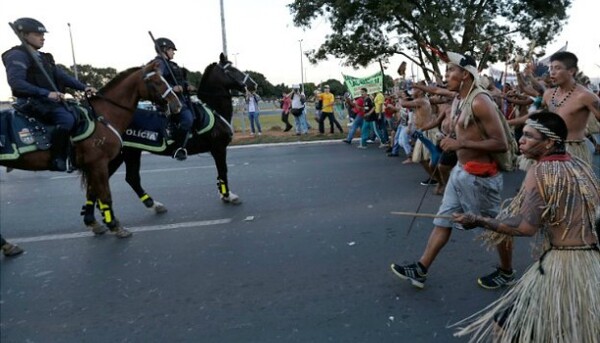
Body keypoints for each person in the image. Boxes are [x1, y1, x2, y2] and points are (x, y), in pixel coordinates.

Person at [452, 112, 600, 342]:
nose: (521, 139)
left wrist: (479, 220)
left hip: (565, 266)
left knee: (505, 326)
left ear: (549, 142)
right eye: (522, 134)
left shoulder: (540, 171)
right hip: (591, 262)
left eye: (529, 136)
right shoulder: (580, 165)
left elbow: (524, 227)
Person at [390, 52, 511, 290]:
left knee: (496, 226)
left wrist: (460, 144)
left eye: (450, 71)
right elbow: (464, 132)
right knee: (442, 220)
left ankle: (507, 271)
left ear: (465, 74)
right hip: (460, 171)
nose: (445, 76)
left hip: (481, 177)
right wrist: (451, 138)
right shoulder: (458, 99)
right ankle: (421, 268)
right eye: (445, 72)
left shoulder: (480, 101)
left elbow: (501, 143)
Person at [2, 17, 96, 171]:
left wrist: (84, 87)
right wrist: (46, 93)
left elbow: (61, 76)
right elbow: (16, 82)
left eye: (43, 35)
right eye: (37, 34)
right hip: (30, 101)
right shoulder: (17, 55)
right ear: (24, 35)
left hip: (47, 101)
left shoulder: (44, 57)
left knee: (81, 113)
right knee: (66, 119)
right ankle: (58, 158)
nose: (42, 37)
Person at [507, 51, 600, 166]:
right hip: (548, 149)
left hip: (573, 154)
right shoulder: (548, 94)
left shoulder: (586, 96)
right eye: (551, 68)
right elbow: (537, 115)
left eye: (557, 68)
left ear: (571, 71)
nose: (552, 72)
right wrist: (507, 122)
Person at [152, 37, 196, 160]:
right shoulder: (159, 63)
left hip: (183, 98)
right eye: (172, 50)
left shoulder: (172, 65)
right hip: (171, 101)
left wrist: (187, 86)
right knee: (187, 120)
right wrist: (172, 88)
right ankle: (177, 147)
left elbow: (180, 80)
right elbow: (157, 82)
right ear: (164, 49)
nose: (173, 52)